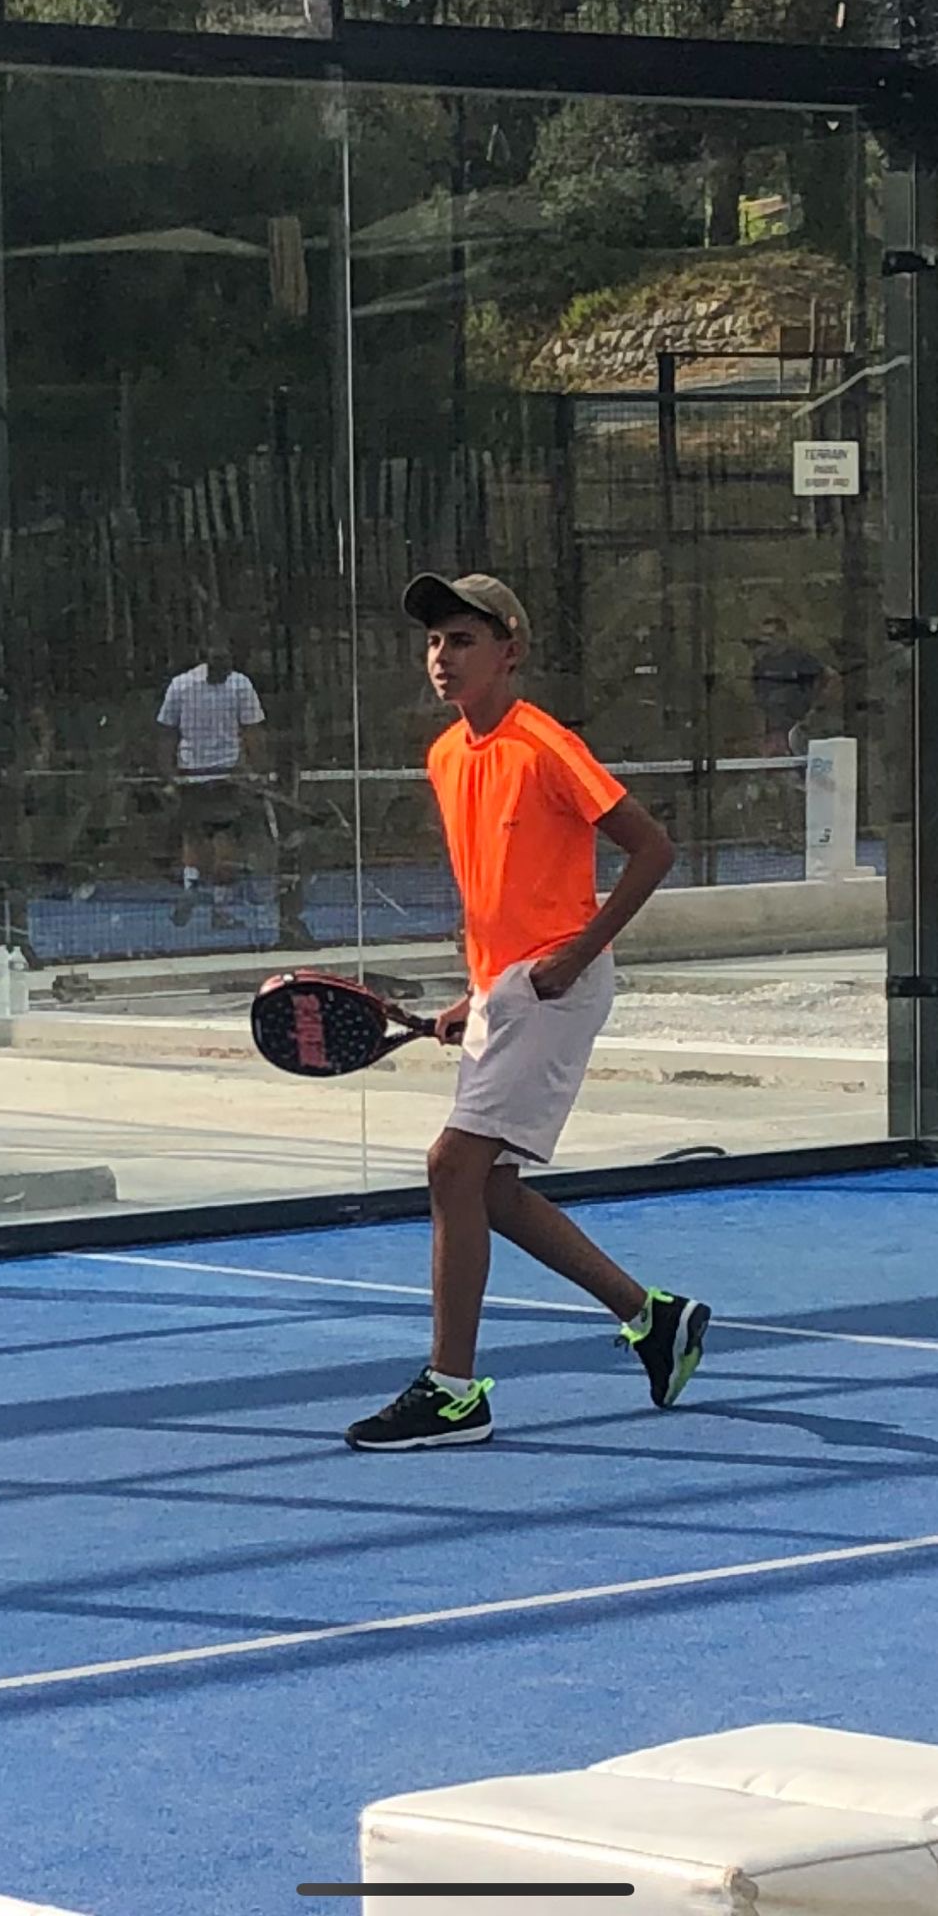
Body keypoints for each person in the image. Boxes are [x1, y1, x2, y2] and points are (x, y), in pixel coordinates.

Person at [346, 572, 711, 1453]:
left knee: (450, 1167)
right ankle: (653, 1318)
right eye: (435, 641)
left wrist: (576, 956)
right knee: (490, 1188)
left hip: (556, 985)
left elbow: (653, 849)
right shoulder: (446, 755)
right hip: (507, 988)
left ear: (510, 652)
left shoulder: (544, 743)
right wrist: (476, 993)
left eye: (463, 640)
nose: (443, 657)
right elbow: (498, 893)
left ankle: (453, 1392)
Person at [157, 635, 266, 928]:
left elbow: (167, 733)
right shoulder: (236, 684)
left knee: (196, 835)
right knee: (221, 838)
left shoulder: (184, 684)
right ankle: (218, 907)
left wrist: (170, 775)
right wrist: (258, 771)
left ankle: (193, 888)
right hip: (213, 774)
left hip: (207, 774)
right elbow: (253, 732)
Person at [750, 616, 834, 759]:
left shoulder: (800, 659)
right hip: (773, 728)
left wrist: (816, 709)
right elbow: (757, 696)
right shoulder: (762, 664)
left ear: (783, 635)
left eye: (771, 635)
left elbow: (831, 677)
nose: (766, 640)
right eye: (763, 636)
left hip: (798, 726)